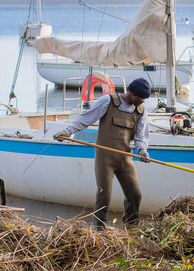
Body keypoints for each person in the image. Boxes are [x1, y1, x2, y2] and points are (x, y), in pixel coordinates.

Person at [54, 77, 151, 230]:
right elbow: (85, 119)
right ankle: (100, 231)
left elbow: (141, 136)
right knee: (104, 195)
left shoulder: (141, 110)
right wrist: (66, 132)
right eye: (141, 97)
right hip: (105, 158)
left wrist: (142, 151)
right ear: (132, 94)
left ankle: (131, 229)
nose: (143, 101)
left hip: (125, 158)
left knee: (135, 194)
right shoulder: (109, 101)